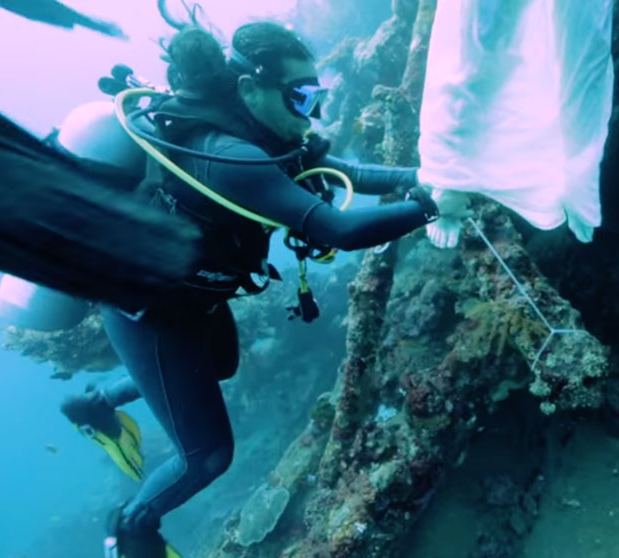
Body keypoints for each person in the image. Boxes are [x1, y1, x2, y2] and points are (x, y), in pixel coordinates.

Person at [59, 20, 439, 558]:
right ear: (249, 89)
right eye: (300, 96)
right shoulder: (232, 158)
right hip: (151, 313)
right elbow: (338, 230)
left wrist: (420, 176)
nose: (312, 112)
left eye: (317, 95)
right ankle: (130, 529)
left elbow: (341, 169)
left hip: (192, 297)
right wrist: (431, 205)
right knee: (208, 455)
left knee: (218, 367)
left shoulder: (267, 133)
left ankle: (95, 402)